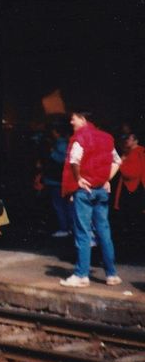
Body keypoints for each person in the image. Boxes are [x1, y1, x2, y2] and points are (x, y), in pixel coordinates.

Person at [59, 110, 123, 288]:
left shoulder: (80, 137)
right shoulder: (107, 138)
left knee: (82, 232)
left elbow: (74, 160)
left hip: (84, 191)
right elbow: (117, 161)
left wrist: (78, 179)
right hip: (101, 191)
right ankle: (112, 274)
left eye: (74, 118)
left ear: (83, 119)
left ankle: (81, 275)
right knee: (104, 231)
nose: (71, 121)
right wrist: (106, 179)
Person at [44, 123, 74, 238]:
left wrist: (50, 152)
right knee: (68, 205)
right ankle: (70, 228)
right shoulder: (67, 144)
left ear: (55, 132)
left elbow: (58, 160)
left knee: (59, 205)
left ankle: (64, 228)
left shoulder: (59, 145)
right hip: (65, 180)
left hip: (56, 181)